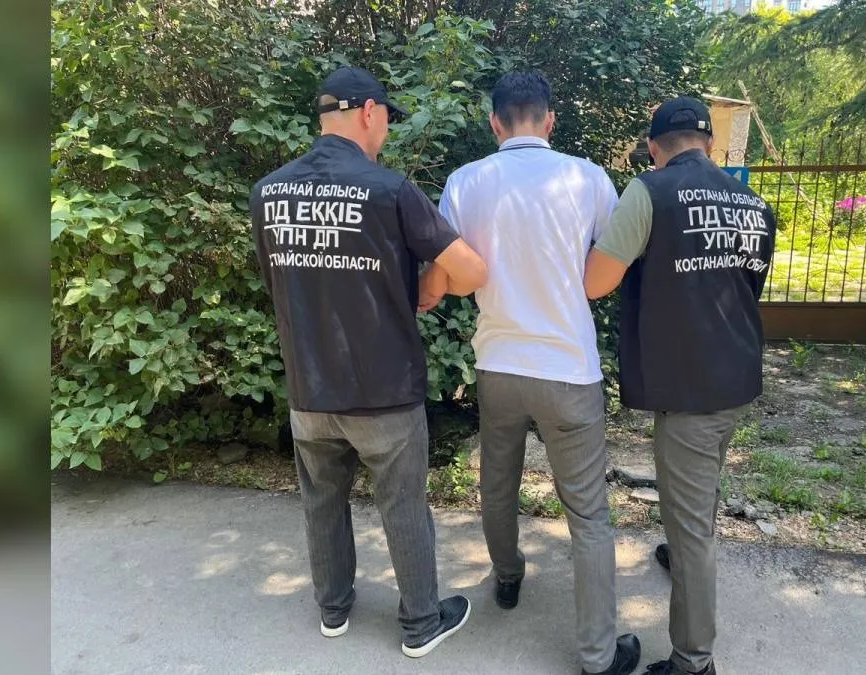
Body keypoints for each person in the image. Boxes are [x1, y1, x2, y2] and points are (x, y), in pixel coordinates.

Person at [249, 66, 487, 659]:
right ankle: (421, 623)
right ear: (369, 112)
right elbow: (472, 271)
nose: (385, 133)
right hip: (384, 389)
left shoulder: (267, 193)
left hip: (309, 387)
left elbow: (280, 281)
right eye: (386, 121)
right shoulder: (389, 190)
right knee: (402, 505)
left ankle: (333, 609)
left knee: (321, 500)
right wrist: (432, 282)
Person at [431, 70, 641, 675]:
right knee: (589, 514)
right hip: (568, 366)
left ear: (494, 123)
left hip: (498, 362)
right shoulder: (588, 177)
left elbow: (451, 275)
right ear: (549, 120)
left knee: (497, 483)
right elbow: (607, 267)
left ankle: (507, 576)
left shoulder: (465, 182)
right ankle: (598, 656)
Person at [583, 97, 776, 675]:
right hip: (736, 372)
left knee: (690, 525)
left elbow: (596, 282)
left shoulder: (650, 192)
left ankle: (694, 660)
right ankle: (684, 555)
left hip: (689, 385)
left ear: (653, 147)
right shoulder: (753, 203)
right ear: (710, 144)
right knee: (701, 492)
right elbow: (747, 285)